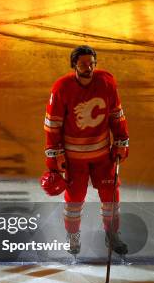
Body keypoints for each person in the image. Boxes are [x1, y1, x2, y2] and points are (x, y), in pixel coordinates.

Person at [41, 45, 129, 257]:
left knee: (111, 197)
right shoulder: (62, 88)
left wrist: (120, 141)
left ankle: (112, 234)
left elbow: (116, 116)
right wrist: (56, 155)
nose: (88, 68)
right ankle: (73, 235)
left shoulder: (107, 83)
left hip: (102, 155)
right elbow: (53, 125)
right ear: (74, 66)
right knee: (74, 200)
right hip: (74, 158)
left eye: (91, 64)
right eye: (82, 64)